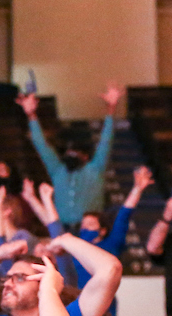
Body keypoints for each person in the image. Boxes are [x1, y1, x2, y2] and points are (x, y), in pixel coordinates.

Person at [25, 166, 154, 291]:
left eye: (90, 224)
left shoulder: (111, 244)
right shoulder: (75, 245)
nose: (85, 227)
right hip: (75, 298)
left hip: (101, 301)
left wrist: (137, 188)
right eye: (83, 225)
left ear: (102, 231)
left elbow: (123, 215)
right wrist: (32, 199)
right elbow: (52, 225)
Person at [17, 83, 122, 227]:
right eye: (68, 151)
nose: (71, 154)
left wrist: (111, 108)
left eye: (75, 151)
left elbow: (106, 140)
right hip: (62, 230)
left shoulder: (95, 169)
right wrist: (31, 115)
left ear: (85, 156)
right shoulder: (57, 170)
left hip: (89, 230)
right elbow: (41, 145)